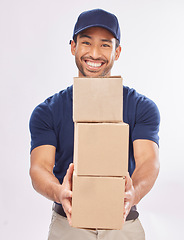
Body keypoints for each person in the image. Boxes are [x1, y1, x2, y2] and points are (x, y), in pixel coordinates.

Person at [29, 9, 160, 240]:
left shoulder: (141, 107)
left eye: (105, 45)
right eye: (86, 42)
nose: (94, 53)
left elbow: (148, 161)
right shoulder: (48, 111)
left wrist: (134, 193)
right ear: (73, 47)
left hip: (123, 223)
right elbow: (39, 168)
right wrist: (60, 192)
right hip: (68, 224)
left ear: (117, 52)